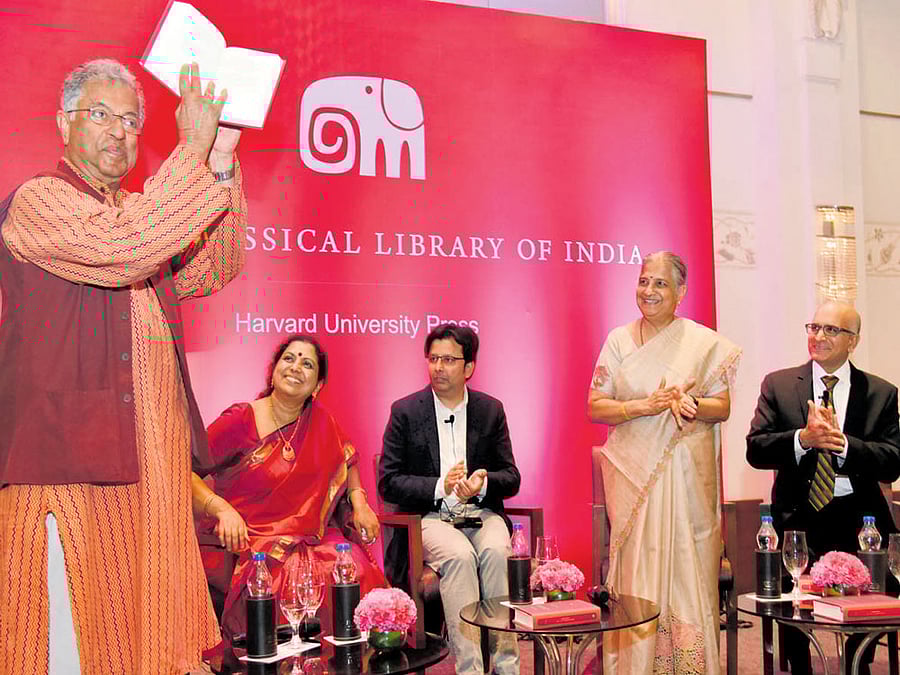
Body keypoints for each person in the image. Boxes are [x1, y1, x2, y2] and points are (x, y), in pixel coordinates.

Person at [0, 59, 246, 674]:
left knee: (148, 627)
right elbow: (123, 247)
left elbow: (212, 268)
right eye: (100, 115)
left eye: (132, 121)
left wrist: (218, 162)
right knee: (68, 634)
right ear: (63, 125)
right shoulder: (39, 201)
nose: (119, 132)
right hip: (68, 463)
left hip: (150, 463)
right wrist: (190, 150)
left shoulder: (143, 213)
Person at [588, 251, 741, 674]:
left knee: (687, 571)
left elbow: (722, 407)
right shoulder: (619, 340)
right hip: (636, 480)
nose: (649, 291)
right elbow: (596, 407)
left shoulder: (702, 342)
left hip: (687, 477)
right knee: (640, 571)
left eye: (660, 284)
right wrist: (645, 405)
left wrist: (691, 403)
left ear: (681, 293)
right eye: (643, 281)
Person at [193, 334, 386, 652]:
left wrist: (360, 501)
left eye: (307, 364)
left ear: (318, 385)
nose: (296, 367)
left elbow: (346, 459)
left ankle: (349, 663)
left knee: (352, 568)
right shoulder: (241, 419)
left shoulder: (322, 422)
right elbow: (185, 471)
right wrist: (221, 509)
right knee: (291, 580)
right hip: (252, 536)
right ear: (273, 370)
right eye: (289, 358)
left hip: (309, 535)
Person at [747, 301, 900, 675]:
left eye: (831, 330)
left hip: (859, 518)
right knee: (796, 609)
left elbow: (893, 460)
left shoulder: (880, 392)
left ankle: (858, 665)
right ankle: (799, 668)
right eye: (814, 327)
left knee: (864, 611)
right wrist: (803, 438)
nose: (818, 336)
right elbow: (756, 448)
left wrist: (843, 445)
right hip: (798, 516)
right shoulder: (780, 384)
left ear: (854, 340)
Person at [379, 323, 521, 675]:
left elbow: (512, 477)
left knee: (495, 551)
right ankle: (470, 669)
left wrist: (483, 485)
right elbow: (388, 482)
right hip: (429, 518)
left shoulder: (490, 410)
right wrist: (441, 486)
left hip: (480, 512)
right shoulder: (406, 411)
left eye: (449, 360)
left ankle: (507, 667)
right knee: (458, 556)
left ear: (468, 367)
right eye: (433, 359)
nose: (439, 367)